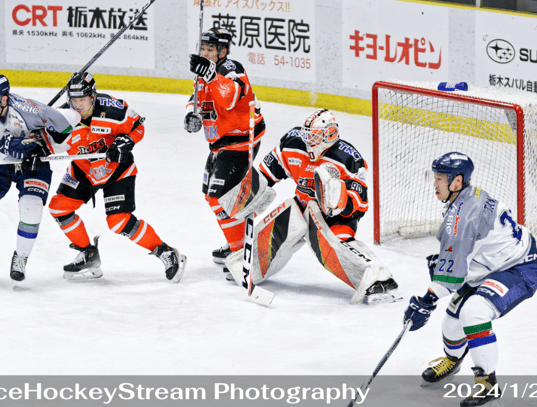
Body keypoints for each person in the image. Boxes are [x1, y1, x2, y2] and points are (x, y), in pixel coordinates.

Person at [404, 152, 537, 407]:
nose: (435, 184)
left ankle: (487, 384)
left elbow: (452, 276)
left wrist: (426, 301)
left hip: (520, 267)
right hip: (492, 264)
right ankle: (453, 360)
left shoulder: (465, 216)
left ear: (457, 181)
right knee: (452, 322)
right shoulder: (467, 195)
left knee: (474, 313)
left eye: (439, 179)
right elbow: (468, 248)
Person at [223, 108, 400, 304]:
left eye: (314, 137)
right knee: (284, 221)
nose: (308, 142)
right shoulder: (293, 143)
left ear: (330, 134)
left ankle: (378, 278)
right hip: (302, 207)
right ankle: (247, 265)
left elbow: (360, 204)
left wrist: (339, 200)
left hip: (335, 218)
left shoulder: (348, 159)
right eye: (307, 135)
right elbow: (266, 172)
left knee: (332, 246)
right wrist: (249, 191)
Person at [48, 72, 186, 282]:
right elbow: (44, 142)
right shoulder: (62, 118)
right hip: (83, 171)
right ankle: (88, 254)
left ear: (93, 97)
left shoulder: (113, 110)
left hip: (117, 171)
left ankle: (165, 251)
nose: (78, 106)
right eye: (74, 100)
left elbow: (138, 127)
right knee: (59, 207)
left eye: (82, 100)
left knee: (118, 221)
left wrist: (126, 142)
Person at [0, 73, 80, 282]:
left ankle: (21, 258)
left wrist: (39, 144)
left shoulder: (28, 110)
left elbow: (66, 126)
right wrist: (1, 149)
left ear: (4, 99)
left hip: (32, 164)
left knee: (31, 209)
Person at [184, 27, 266, 264]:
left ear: (223, 51)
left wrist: (211, 76)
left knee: (219, 198)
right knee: (211, 196)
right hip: (219, 144)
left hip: (240, 142)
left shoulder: (232, 69)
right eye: (203, 48)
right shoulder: (203, 74)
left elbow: (228, 98)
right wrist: (191, 114)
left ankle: (240, 250)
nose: (205, 53)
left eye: (210, 49)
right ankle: (237, 243)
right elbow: (196, 99)